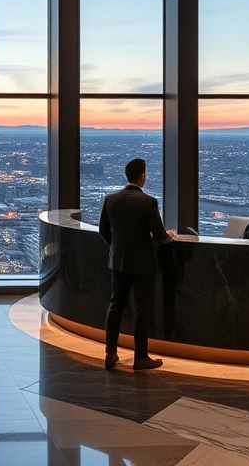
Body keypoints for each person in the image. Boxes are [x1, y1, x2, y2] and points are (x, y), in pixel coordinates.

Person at [98, 158, 176, 372]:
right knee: (142, 310)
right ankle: (140, 357)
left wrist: (117, 248)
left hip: (118, 262)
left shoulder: (110, 200)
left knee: (116, 305)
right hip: (143, 264)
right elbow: (160, 237)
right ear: (142, 176)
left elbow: (103, 231)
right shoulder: (148, 202)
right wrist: (170, 235)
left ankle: (110, 353)